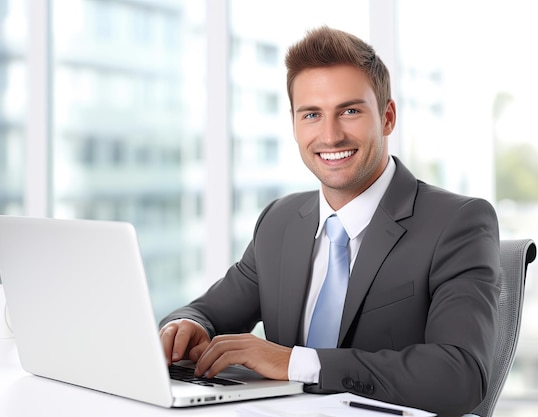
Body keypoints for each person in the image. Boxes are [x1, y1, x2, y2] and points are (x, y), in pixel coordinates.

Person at [159, 26, 500, 417]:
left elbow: (460, 376)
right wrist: (183, 326)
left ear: (387, 117)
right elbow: (207, 313)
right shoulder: (279, 220)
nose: (331, 135)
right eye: (312, 115)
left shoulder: (457, 222)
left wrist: (297, 364)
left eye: (350, 111)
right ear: (294, 123)